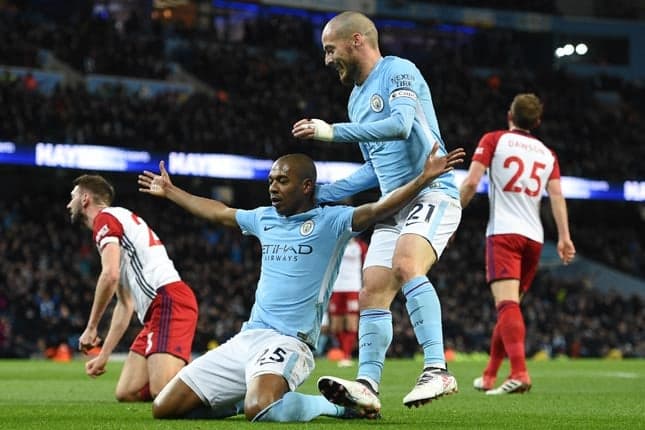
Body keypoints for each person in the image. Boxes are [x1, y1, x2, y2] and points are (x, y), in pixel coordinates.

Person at [137, 145, 464, 421]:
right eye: (271, 181)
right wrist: (170, 191)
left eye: (282, 180)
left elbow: (378, 208)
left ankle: (336, 407)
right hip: (249, 337)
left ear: (307, 186)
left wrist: (423, 179)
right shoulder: (263, 217)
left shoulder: (332, 221)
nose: (273, 187)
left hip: (290, 342)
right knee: (164, 408)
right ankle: (238, 397)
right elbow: (219, 211)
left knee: (260, 407)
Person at [291, 11, 461, 410]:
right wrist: (324, 194)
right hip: (393, 204)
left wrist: (331, 131)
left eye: (330, 49)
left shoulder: (398, 70)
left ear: (356, 41)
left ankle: (437, 368)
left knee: (406, 265)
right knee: (372, 293)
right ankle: (367, 384)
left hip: (433, 192)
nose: (327, 59)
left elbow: (401, 125)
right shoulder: (354, 99)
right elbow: (374, 166)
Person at [459, 93, 576, 394]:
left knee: (507, 306)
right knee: (510, 308)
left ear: (509, 115)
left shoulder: (495, 139)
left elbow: (472, 182)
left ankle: (520, 373)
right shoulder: (547, 153)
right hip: (534, 238)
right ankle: (488, 375)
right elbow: (557, 196)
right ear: (537, 121)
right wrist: (564, 236)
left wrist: (451, 215)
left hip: (504, 233)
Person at [67, 174, 198, 402]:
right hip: (155, 311)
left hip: (167, 299)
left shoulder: (105, 219)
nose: (69, 204)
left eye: (73, 197)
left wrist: (91, 328)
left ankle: (220, 379)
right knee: (128, 392)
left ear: (85, 199)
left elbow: (109, 275)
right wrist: (103, 356)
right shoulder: (118, 227)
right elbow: (125, 306)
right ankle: (175, 378)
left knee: (162, 392)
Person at [323, 236, 368, 367]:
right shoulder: (335, 244)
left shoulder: (361, 246)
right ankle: (342, 352)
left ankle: (347, 354)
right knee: (336, 325)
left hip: (353, 287)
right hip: (336, 287)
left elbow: (367, 264)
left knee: (351, 323)